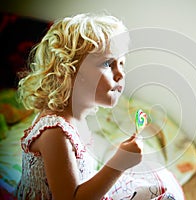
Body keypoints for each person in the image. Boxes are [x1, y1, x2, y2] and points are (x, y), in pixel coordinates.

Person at [16, 13, 184, 200]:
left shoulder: (76, 119)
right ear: (69, 72)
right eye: (107, 63)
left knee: (160, 180)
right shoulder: (56, 132)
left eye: (122, 63)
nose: (120, 74)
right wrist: (117, 164)